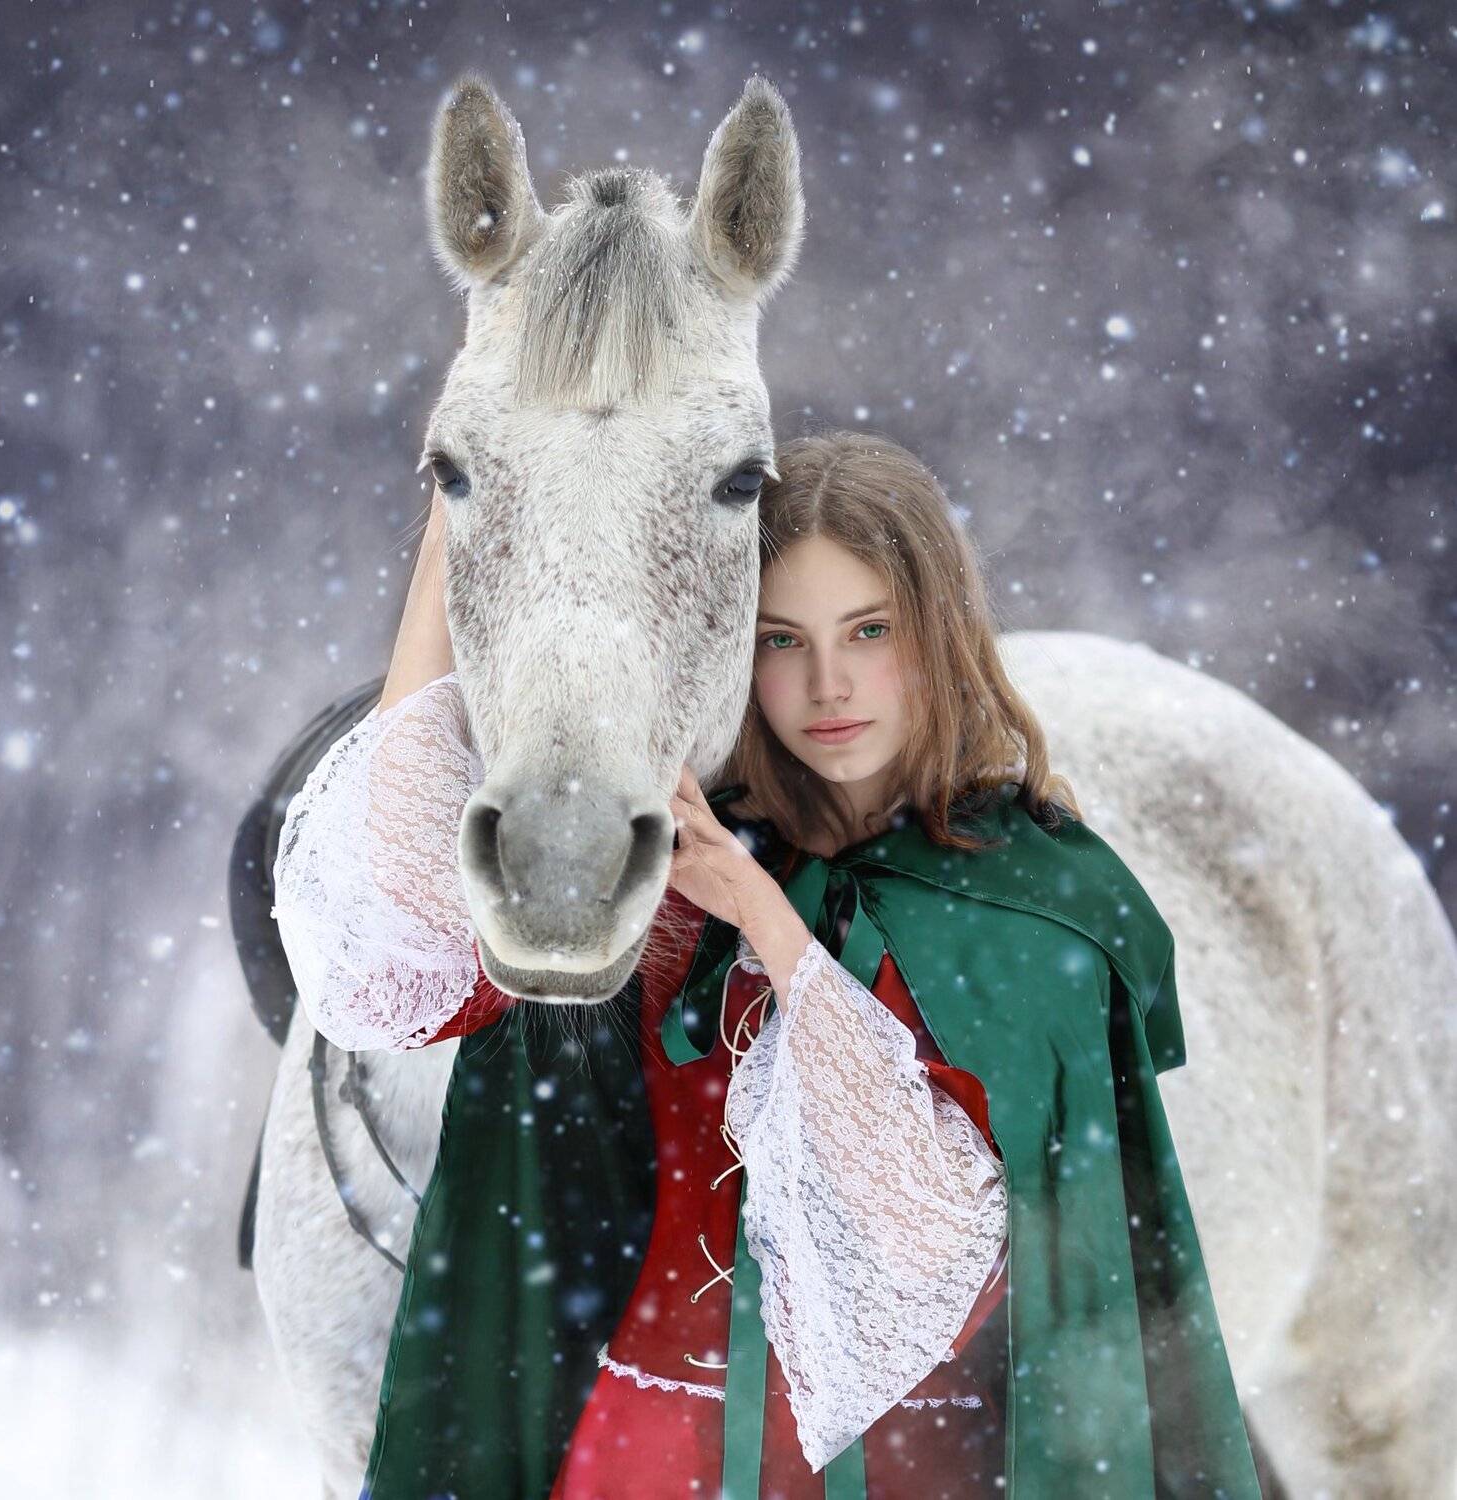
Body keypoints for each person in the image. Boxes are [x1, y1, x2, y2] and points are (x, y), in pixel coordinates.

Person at [270, 431, 1262, 1499]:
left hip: (918, 1472)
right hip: (641, 1462)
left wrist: (770, 926)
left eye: (869, 631)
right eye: (782, 640)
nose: (829, 684)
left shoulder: (1034, 908)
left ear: (939, 634)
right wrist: (449, 534)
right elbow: (395, 973)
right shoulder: (676, 874)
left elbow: (926, 1238)